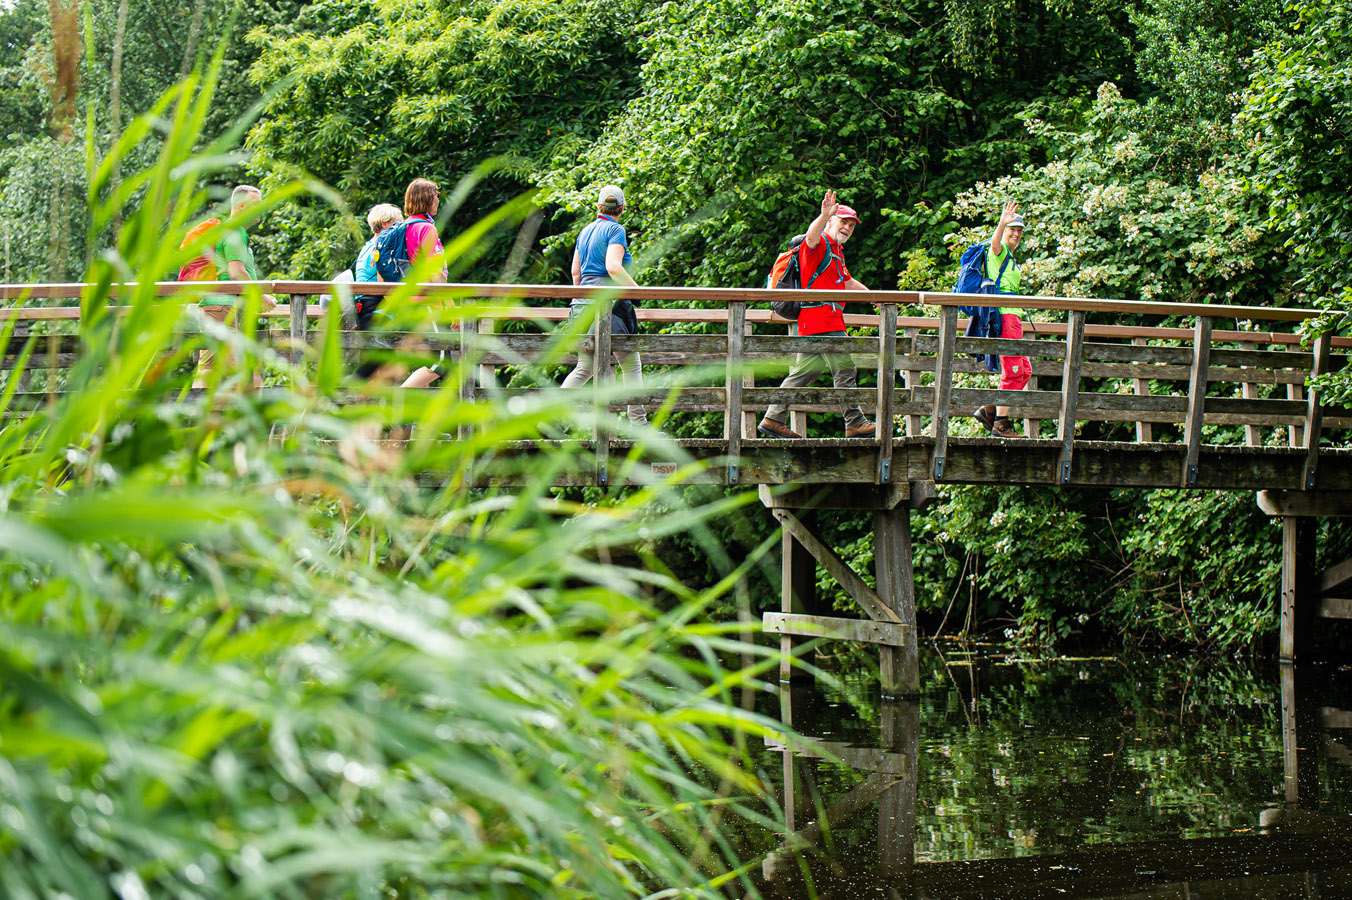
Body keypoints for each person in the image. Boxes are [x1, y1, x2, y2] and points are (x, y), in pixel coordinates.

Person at [757, 190, 876, 439]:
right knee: (845, 369)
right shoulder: (820, 244)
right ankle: (855, 423)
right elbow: (810, 238)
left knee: (806, 373)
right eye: (843, 222)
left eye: (851, 225)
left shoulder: (837, 252)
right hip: (823, 320)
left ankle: (772, 418)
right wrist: (823, 215)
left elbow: (848, 282)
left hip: (819, 321)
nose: (847, 228)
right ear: (831, 221)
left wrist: (878, 299)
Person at [560, 184, 648, 427]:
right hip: (610, 308)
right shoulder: (615, 230)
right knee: (631, 366)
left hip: (582, 304)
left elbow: (576, 274)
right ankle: (638, 425)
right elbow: (613, 267)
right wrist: (637, 292)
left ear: (599, 206)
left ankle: (554, 418)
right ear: (622, 207)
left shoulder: (585, 231)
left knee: (584, 366)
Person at [195, 184, 276, 388]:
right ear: (241, 206)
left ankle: (197, 418)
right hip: (226, 308)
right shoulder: (236, 231)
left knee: (208, 370)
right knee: (248, 370)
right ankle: (253, 419)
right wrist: (261, 297)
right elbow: (236, 272)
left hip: (212, 307)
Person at [973, 201, 1030, 439]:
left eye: (1019, 230)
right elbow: (995, 244)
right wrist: (1001, 223)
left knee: (1024, 370)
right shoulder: (999, 251)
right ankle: (1000, 424)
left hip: (1013, 316)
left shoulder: (1012, 258)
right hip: (1006, 317)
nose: (1016, 233)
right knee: (1014, 371)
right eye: (1012, 229)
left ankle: (990, 409)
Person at [394, 179, 448, 390]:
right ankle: (396, 399)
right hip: (427, 302)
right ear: (427, 198)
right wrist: (449, 306)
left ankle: (407, 422)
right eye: (436, 195)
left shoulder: (403, 227)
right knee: (442, 363)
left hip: (407, 303)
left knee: (425, 363)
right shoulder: (426, 229)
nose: (438, 200)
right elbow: (434, 271)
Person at [351, 202, 403, 380]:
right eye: (397, 224)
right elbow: (383, 283)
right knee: (368, 371)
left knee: (382, 369)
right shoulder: (381, 248)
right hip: (376, 311)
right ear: (385, 224)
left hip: (364, 310)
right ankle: (335, 397)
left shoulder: (367, 246)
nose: (400, 228)